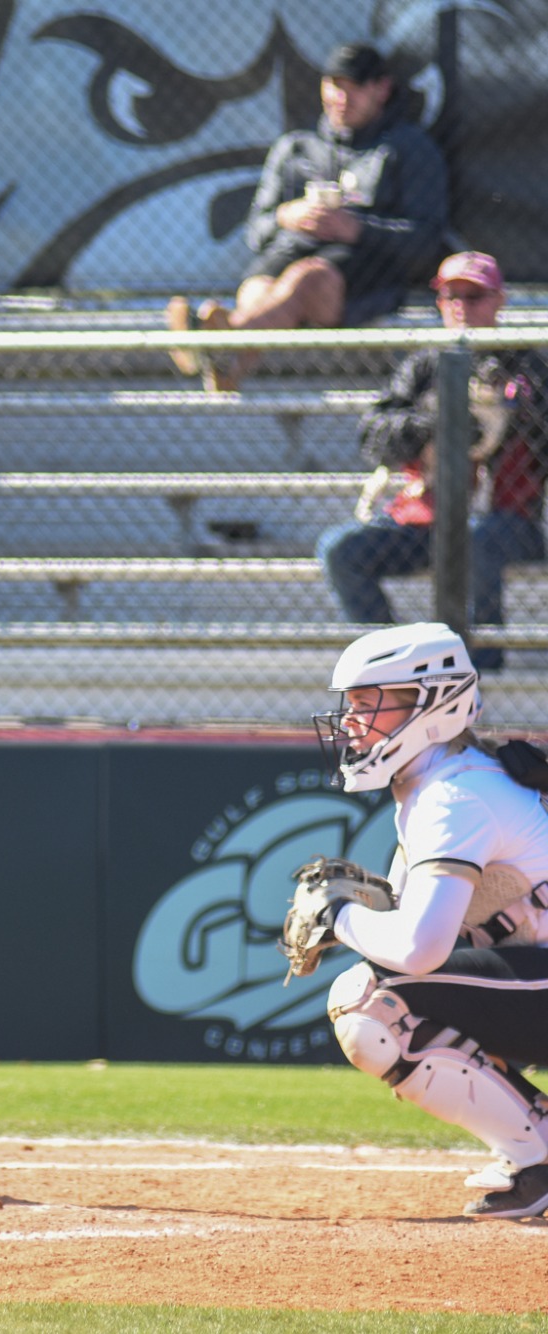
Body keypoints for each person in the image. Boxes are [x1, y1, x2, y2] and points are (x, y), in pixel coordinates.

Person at [308, 621, 548, 1219]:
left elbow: (419, 950)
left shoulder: (453, 796)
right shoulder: (438, 783)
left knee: (370, 1001)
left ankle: (542, 1160)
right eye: (353, 706)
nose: (352, 723)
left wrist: (338, 916)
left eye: (369, 705)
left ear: (431, 704)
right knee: (399, 991)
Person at [167, 42, 447, 393]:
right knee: (258, 289)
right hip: (287, 257)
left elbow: (427, 239)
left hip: (360, 276)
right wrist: (288, 215)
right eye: (334, 86)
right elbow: (257, 231)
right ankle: (227, 370)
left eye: (354, 88)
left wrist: (356, 228)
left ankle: (220, 340)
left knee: (306, 279)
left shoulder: (408, 149)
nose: (341, 98)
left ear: (382, 89)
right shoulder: (295, 147)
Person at [315, 252, 548, 670]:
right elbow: (373, 435)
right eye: (450, 297)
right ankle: (394, 668)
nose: (461, 307)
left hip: (508, 521)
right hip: (427, 519)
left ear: (499, 300)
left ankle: (478, 672)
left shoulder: (531, 363)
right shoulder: (424, 366)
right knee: (340, 551)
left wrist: (516, 415)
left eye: (473, 296)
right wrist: (432, 420)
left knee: (476, 538)